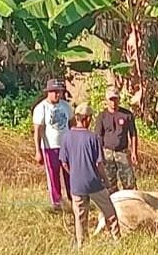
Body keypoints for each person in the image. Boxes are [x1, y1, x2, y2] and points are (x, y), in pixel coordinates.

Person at [60, 103, 120, 249]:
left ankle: (82, 245)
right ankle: (118, 241)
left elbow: (64, 162)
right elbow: (99, 164)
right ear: (86, 119)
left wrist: (73, 174)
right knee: (110, 212)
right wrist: (106, 181)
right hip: (93, 183)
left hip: (76, 184)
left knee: (80, 217)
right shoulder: (92, 138)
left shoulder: (67, 137)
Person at [33, 78, 73, 210]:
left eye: (59, 92)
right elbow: (37, 131)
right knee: (53, 175)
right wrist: (38, 151)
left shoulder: (66, 106)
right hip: (50, 147)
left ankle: (73, 198)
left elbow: (72, 124)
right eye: (54, 92)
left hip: (66, 146)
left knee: (70, 173)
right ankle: (57, 202)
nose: (57, 94)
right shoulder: (41, 108)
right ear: (48, 92)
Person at [95, 87, 138, 194]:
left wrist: (134, 152)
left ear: (119, 99)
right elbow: (98, 136)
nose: (113, 102)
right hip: (107, 153)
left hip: (122, 152)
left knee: (129, 182)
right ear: (106, 100)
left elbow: (133, 134)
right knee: (109, 182)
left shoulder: (127, 115)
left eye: (115, 99)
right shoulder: (102, 116)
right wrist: (99, 155)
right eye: (111, 99)